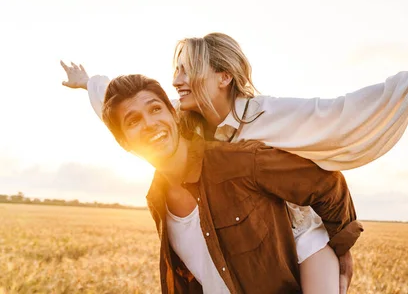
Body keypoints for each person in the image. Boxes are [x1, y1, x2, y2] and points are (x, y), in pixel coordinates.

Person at [61, 27, 408, 293]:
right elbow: (124, 112)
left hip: (305, 239)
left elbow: (341, 111)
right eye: (175, 70)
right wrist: (87, 84)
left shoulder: (267, 115)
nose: (176, 80)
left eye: (187, 69)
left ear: (222, 76)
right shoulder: (181, 119)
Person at [99, 73, 362, 293]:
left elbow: (325, 182)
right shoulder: (156, 200)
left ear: (173, 113)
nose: (149, 123)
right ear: (124, 142)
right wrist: (87, 82)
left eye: (155, 109)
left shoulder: (239, 161)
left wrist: (341, 251)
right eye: (133, 121)